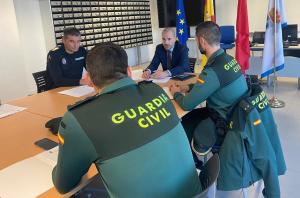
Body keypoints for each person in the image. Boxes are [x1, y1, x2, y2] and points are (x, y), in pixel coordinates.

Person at [52, 42, 201, 198]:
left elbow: (63, 185)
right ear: (129, 71)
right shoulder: (155, 91)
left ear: (89, 80)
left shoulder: (80, 119)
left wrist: (68, 141)